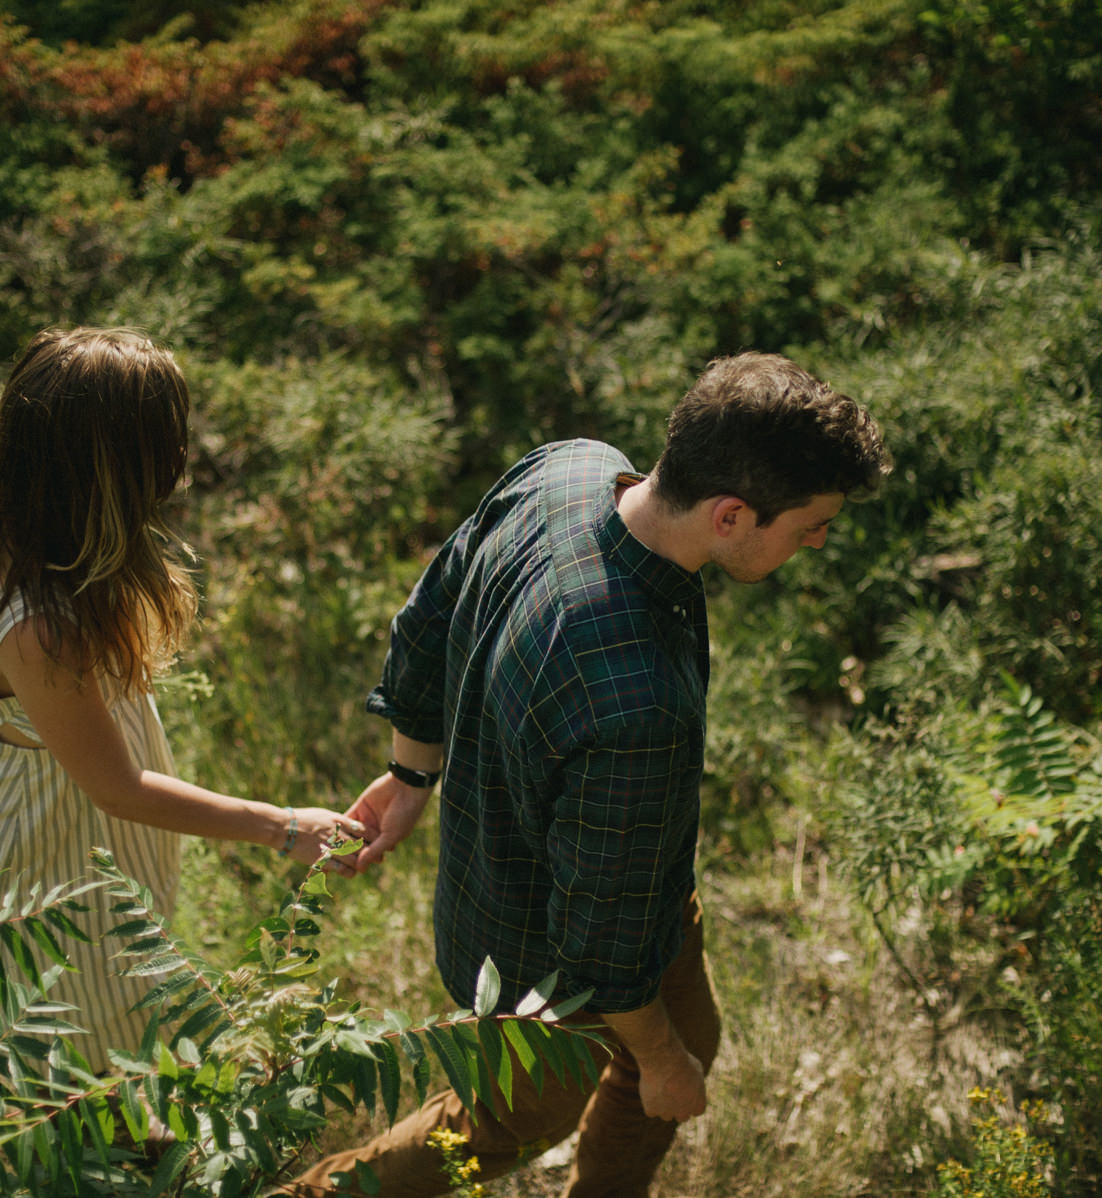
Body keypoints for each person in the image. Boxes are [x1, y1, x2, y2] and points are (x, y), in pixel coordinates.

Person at [280, 352, 890, 1198]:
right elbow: (602, 950)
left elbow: (430, 610)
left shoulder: (569, 470)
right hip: (539, 971)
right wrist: (660, 1063)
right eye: (811, 523)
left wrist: (410, 775)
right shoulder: (638, 704)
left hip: (627, 887)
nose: (819, 540)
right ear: (730, 515)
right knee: (503, 1125)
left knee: (690, 1035)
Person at [0, 326, 364, 1074]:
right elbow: (119, 790)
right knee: (81, 988)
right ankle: (97, 1133)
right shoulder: (40, 627)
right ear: (111, 471)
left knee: (79, 963)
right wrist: (284, 827)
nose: (182, 458)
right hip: (36, 816)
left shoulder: (42, 544)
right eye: (166, 442)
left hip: (38, 768)